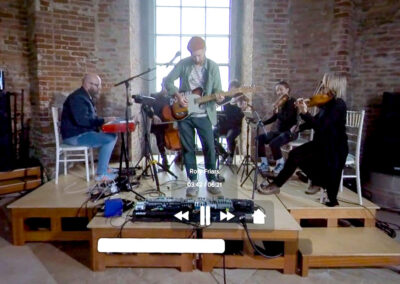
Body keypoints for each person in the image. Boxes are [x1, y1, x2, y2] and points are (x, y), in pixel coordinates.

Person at [259, 73, 348, 207]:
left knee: (299, 157)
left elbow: (321, 127)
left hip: (335, 148)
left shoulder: (338, 105)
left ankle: (319, 183)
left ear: (333, 85)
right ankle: (278, 185)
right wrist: (298, 127)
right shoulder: (327, 104)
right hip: (323, 143)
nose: (322, 86)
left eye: (324, 84)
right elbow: (316, 121)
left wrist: (305, 113)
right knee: (295, 155)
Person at [164, 36, 224, 196]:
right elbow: (167, 81)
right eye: (194, 55)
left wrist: (219, 97)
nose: (197, 58)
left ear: (205, 50)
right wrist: (177, 95)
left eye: (199, 54)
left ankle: (212, 181)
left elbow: (218, 90)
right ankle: (193, 184)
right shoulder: (184, 63)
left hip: (204, 115)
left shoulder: (213, 67)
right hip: (185, 115)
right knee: (188, 150)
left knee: (210, 149)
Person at [61, 74, 118, 182]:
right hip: (75, 136)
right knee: (110, 139)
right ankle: (101, 174)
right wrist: (103, 120)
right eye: (97, 86)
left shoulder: (83, 96)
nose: (98, 89)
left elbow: (88, 118)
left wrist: (103, 121)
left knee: (112, 135)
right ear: (88, 84)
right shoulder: (78, 98)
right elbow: (82, 120)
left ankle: (105, 168)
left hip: (79, 133)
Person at [257, 81, 297, 176]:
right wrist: (263, 123)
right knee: (259, 139)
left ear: (287, 89)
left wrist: (277, 111)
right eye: (277, 90)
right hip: (280, 131)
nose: (279, 92)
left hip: (290, 132)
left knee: (273, 143)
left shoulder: (292, 102)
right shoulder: (281, 103)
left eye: (281, 89)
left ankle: (280, 164)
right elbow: (275, 118)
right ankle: (264, 164)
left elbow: (286, 118)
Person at [214, 79, 247, 166]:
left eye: (234, 89)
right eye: (230, 89)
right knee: (211, 135)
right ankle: (224, 153)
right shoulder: (227, 98)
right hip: (224, 124)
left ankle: (231, 156)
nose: (232, 91)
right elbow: (218, 103)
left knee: (230, 136)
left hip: (235, 126)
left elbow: (241, 115)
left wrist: (242, 108)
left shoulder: (241, 98)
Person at [150, 81, 172, 169]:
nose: (166, 89)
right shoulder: (154, 96)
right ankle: (164, 159)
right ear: (161, 85)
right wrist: (153, 116)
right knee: (160, 137)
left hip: (168, 124)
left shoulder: (171, 98)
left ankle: (180, 157)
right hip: (158, 124)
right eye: (164, 86)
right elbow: (146, 107)